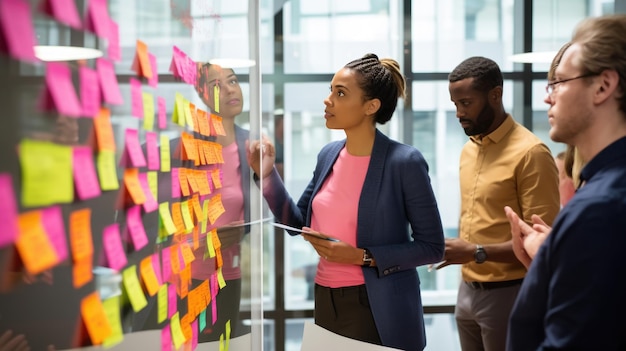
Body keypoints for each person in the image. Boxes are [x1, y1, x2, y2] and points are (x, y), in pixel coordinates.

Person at [247, 53, 445, 351]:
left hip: (376, 306)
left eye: (340, 93)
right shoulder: (328, 154)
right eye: (331, 90)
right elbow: (296, 224)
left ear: (371, 106)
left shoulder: (405, 162)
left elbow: (432, 247)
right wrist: (267, 175)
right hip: (326, 299)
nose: (328, 100)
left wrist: (361, 257)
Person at [506, 15, 626, 350]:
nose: (548, 97)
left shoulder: (599, 209)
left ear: (603, 86)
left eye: (559, 82)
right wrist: (555, 258)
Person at [436, 56, 560, 351]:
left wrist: (477, 252)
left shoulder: (531, 153)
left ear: (495, 95)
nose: (459, 113)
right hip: (466, 291)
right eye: (455, 104)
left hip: (510, 293)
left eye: (466, 103)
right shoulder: (468, 150)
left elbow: (544, 245)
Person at [189, 62, 251, 341]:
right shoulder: (188, 148)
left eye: (233, 81)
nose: (228, 90)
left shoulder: (252, 146)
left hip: (231, 275)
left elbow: (264, 212)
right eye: (216, 85)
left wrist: (241, 230)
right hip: (189, 278)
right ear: (202, 95)